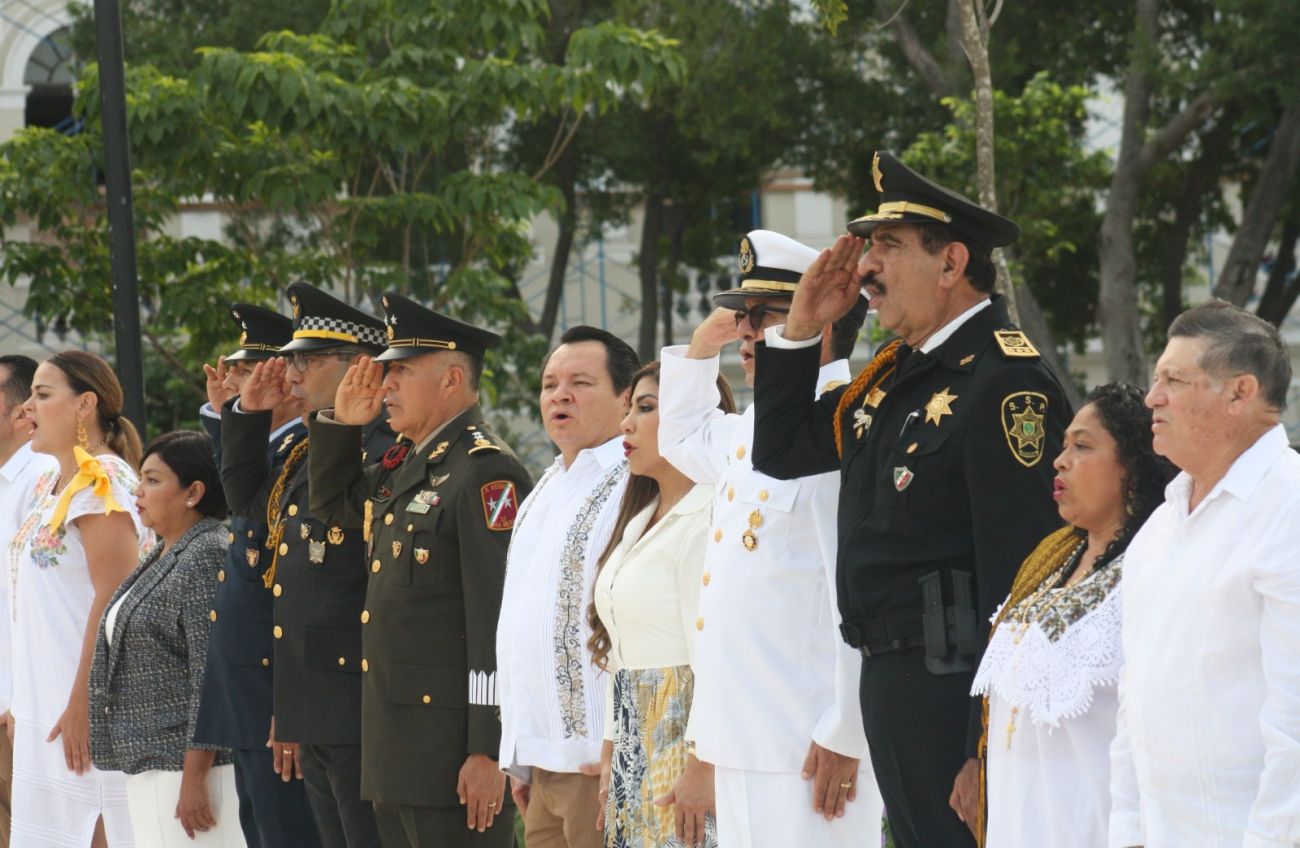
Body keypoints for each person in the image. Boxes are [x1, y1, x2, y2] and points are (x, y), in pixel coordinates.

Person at [750, 151, 1070, 848]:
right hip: (890, 680)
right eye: (868, 247)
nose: (866, 267)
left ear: (952, 263)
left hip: (953, 695)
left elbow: (1027, 579)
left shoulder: (1004, 384)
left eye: (888, 247)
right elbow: (779, 451)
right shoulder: (896, 377)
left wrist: (987, 747)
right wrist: (801, 329)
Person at [657, 230, 883, 847]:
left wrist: (847, 729)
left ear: (825, 318)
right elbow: (680, 436)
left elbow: (855, 592)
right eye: (745, 318)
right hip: (741, 736)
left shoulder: (842, 421)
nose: (751, 334)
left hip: (807, 744)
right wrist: (705, 343)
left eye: (769, 317)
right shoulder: (759, 426)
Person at [309, 292, 533, 847]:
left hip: (450, 756)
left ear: (452, 380)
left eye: (400, 372)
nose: (384, 387)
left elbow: (494, 620)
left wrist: (487, 747)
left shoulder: (485, 471)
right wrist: (340, 425)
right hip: (395, 748)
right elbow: (335, 513)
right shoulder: (405, 466)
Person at [1109, 301, 1300, 847]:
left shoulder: (1289, 510)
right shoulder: (1159, 529)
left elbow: (1295, 723)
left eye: (1173, 379)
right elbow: (1134, 709)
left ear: (1240, 393)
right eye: (1155, 378)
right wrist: (1127, 835)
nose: (1152, 397)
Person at [220, 282, 394, 848]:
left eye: (308, 359)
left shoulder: (386, 447)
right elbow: (246, 504)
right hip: (314, 697)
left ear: (357, 367)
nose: (292, 373)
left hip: (361, 698)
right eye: (291, 359)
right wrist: (248, 413)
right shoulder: (305, 448)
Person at [970, 384, 1175, 846]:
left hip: (1096, 827)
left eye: (1081, 446)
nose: (1060, 461)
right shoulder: (1048, 562)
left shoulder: (1152, 572)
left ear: (1134, 466)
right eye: (1063, 446)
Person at [497, 326, 639, 848]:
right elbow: (519, 623)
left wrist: (620, 749)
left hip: (597, 760)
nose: (559, 395)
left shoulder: (635, 479)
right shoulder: (545, 486)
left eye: (580, 382)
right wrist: (517, 753)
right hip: (541, 761)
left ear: (626, 395)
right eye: (550, 384)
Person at [9, 350, 153, 847]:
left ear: (84, 404)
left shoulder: (102, 485)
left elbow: (115, 599)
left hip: (83, 700)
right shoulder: (54, 481)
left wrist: (85, 702)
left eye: (42, 395)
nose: (26, 407)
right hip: (46, 699)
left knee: (93, 829)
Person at [590, 361, 735, 848]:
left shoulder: (712, 511)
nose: (626, 423)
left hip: (684, 733)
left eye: (646, 408)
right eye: (629, 408)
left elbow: (714, 652)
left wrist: (702, 764)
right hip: (635, 734)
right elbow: (621, 650)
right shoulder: (642, 515)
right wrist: (614, 744)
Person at [192, 305, 319, 848]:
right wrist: (228, 419)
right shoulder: (272, 451)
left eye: (251, 375)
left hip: (275, 687)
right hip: (250, 691)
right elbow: (240, 489)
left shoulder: (301, 452)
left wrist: (233, 422)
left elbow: (250, 509)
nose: (238, 388)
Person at [87, 431, 242, 847]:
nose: (138, 490)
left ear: (193, 492)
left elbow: (210, 673)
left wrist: (194, 779)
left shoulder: (205, 552)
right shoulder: (161, 552)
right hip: (153, 763)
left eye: (153, 480)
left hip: (190, 770)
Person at [0, 355, 56, 846]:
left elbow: (36, 598)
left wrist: (17, 698)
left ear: (21, 414)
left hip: (20, 705)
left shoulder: (41, 477)